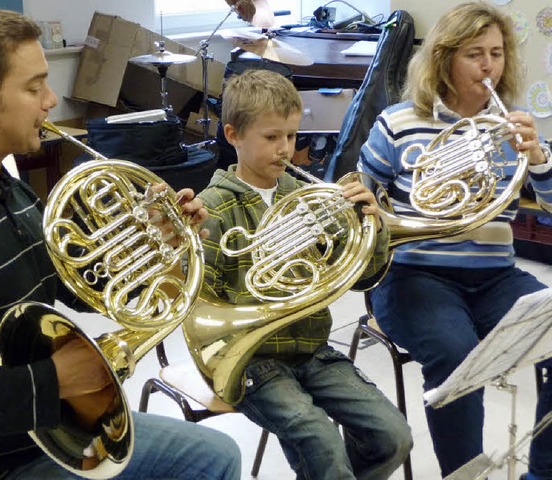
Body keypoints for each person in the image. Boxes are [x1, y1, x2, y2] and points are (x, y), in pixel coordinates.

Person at [0, 6, 241, 480]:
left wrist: (158, 245)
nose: (50, 100)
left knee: (216, 455)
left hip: (45, 431)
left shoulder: (8, 188)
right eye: (33, 87)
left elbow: (78, 283)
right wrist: (54, 381)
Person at [357, 2, 552, 479]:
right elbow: (359, 204)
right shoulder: (400, 123)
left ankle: (543, 471)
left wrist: (541, 160)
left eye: (497, 53)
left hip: (494, 276)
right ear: (444, 59)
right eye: (474, 54)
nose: (489, 66)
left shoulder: (515, 127)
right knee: (456, 352)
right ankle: (464, 475)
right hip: (411, 275)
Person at [197, 68, 413, 480]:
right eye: (272, 137)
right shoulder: (213, 209)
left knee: (393, 436)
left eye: (292, 136)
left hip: (312, 349)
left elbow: (363, 275)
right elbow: (203, 301)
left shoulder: (305, 198)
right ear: (233, 135)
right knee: (321, 441)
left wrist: (374, 227)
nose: (285, 149)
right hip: (252, 363)